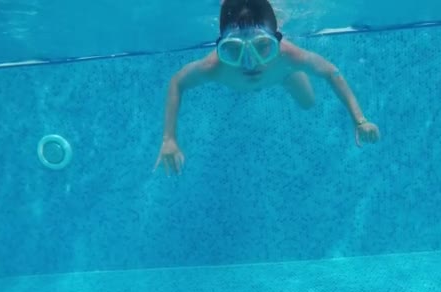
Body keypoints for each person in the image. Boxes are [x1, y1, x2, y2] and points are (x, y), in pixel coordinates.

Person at [154, 0, 381, 175]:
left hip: (283, 75)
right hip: (271, 68)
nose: (250, 63)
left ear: (278, 40)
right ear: (221, 45)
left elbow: (331, 72)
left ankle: (284, 76)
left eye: (262, 46)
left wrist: (359, 119)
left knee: (308, 103)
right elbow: (177, 82)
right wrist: (169, 139)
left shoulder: (289, 56)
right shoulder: (212, 66)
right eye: (234, 49)